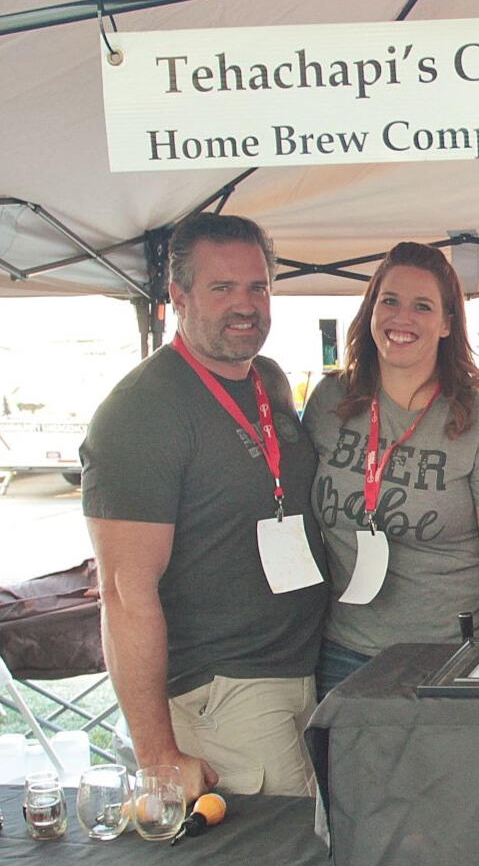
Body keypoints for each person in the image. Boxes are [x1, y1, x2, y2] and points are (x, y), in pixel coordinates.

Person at [81, 214, 327, 800]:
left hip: (300, 670)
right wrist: (158, 756)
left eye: (258, 287)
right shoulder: (141, 411)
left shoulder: (266, 379)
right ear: (179, 296)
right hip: (223, 694)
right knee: (284, 852)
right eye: (222, 288)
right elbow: (124, 594)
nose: (245, 305)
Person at [304, 242, 479, 697]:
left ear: (447, 323)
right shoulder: (329, 402)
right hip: (342, 652)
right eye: (389, 301)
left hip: (446, 658)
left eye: (422, 306)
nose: (402, 317)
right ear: (371, 310)